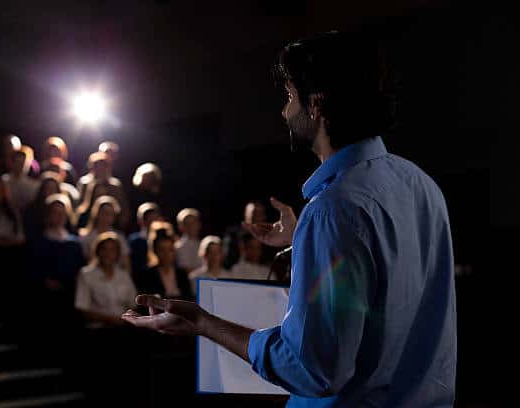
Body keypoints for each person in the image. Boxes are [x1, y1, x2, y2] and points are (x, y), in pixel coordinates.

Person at [123, 31, 456, 407]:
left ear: (315, 105)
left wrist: (203, 323)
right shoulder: (420, 184)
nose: (284, 111)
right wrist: (306, 240)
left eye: (289, 97)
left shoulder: (333, 210)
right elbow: (389, 277)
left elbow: (313, 369)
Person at [75, 231, 137, 327]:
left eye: (112, 250)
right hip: (98, 327)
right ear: (97, 251)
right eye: (104, 249)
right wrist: (110, 319)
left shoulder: (123, 275)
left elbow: (133, 304)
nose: (108, 253)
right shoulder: (86, 274)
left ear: (117, 253)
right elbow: (82, 308)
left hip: (123, 326)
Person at [134, 223, 192, 301]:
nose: (166, 254)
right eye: (162, 249)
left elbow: (188, 299)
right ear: (155, 251)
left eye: (170, 250)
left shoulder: (182, 274)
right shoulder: (146, 275)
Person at [78, 195, 131, 272]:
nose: (107, 217)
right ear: (96, 214)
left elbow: (126, 263)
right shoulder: (85, 237)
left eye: (110, 214)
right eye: (104, 213)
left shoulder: (119, 237)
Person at [2, 146, 39, 215]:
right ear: (12, 163)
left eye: (23, 163)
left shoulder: (33, 185)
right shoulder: (3, 181)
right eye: (18, 162)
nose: (20, 166)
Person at [174, 208, 203, 273]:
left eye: (193, 222)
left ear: (199, 224)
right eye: (186, 223)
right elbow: (185, 270)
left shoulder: (204, 245)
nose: (191, 226)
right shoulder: (178, 247)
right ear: (180, 226)